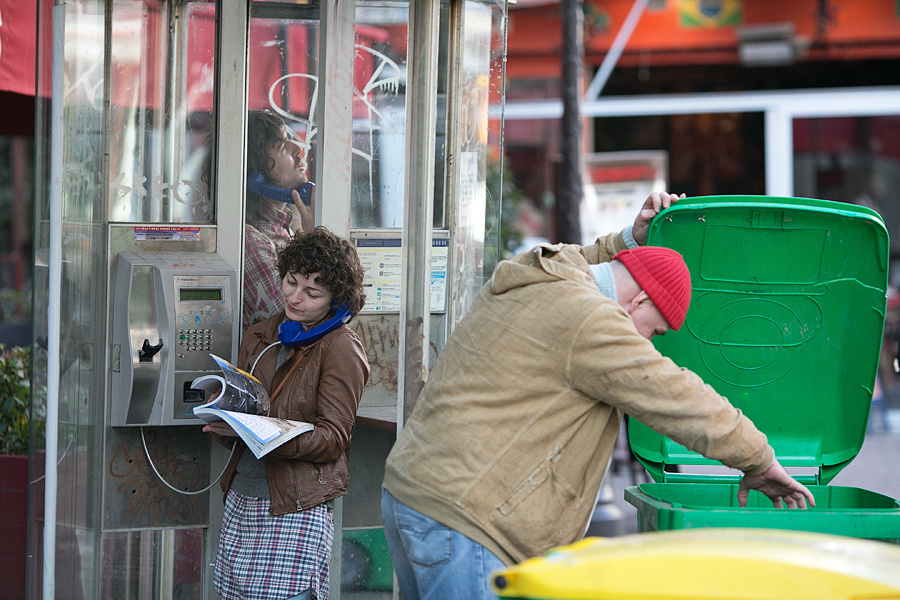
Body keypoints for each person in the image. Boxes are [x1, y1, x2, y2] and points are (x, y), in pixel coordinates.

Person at [381, 192, 816, 600]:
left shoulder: (544, 278)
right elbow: (677, 396)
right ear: (641, 300)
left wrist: (631, 240)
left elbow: (585, 262)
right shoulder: (590, 320)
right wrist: (759, 458)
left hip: (417, 494)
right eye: (655, 331)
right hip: (468, 522)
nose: (650, 341)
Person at [205, 227, 370, 600]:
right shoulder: (263, 336)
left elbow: (332, 440)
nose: (295, 298)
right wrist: (225, 420)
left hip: (294, 508)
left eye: (312, 293)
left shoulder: (340, 348)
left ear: (337, 301)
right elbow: (241, 420)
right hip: (243, 498)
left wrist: (263, 431)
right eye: (291, 282)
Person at [243, 109, 316, 331]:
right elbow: (298, 323)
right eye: (283, 147)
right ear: (256, 176)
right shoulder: (252, 242)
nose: (298, 149)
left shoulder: (283, 230)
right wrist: (316, 238)